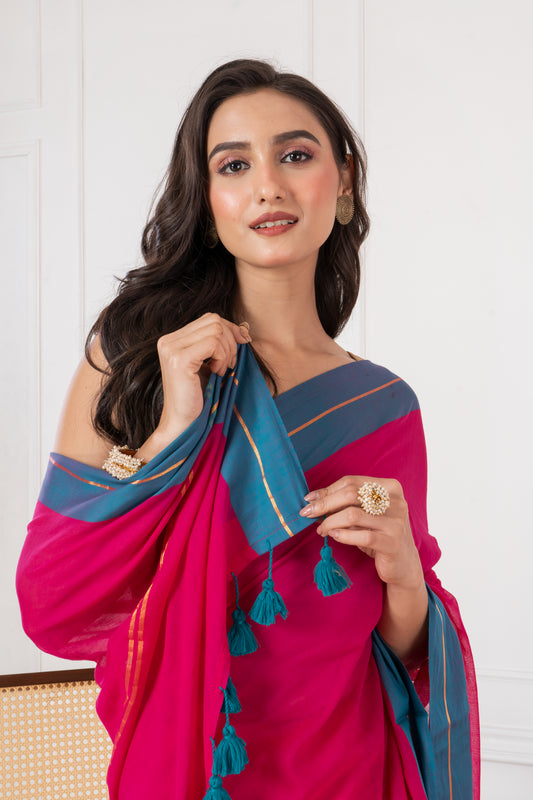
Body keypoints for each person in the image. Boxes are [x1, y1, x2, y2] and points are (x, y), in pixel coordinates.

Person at [16, 59, 479, 799]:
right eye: (234, 165)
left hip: (352, 767)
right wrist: (170, 440)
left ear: (344, 182)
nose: (268, 186)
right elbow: (52, 604)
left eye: (295, 155)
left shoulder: (384, 405)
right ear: (206, 203)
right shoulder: (135, 358)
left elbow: (401, 643)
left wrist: (401, 569)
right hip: (196, 765)